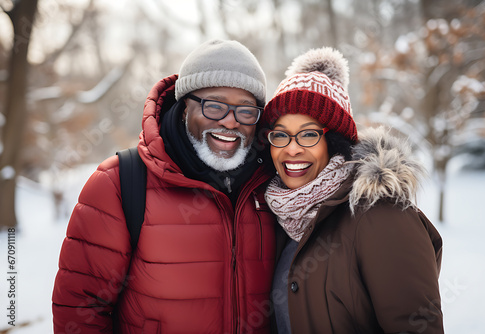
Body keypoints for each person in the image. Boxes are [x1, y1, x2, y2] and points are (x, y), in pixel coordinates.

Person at [52, 39, 278, 333]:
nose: (230, 122)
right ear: (185, 107)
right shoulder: (119, 183)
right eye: (214, 106)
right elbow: (81, 309)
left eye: (245, 110)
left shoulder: (271, 184)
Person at [262, 47, 444, 333]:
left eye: (309, 134)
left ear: (334, 142)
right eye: (280, 135)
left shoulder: (381, 216)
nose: (292, 149)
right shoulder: (280, 215)